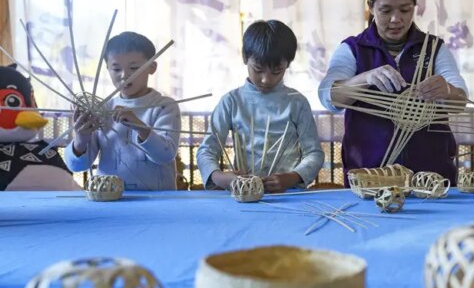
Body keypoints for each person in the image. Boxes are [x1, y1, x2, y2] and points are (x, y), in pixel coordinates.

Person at [318, 0, 468, 184]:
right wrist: (365, 78)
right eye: (386, 11)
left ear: (415, 6)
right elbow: (327, 96)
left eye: (405, 10)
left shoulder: (434, 48)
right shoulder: (353, 49)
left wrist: (447, 90)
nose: (396, 19)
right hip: (370, 178)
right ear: (370, 7)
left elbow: (460, 102)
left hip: (431, 180)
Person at [197, 20, 323, 192]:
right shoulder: (232, 101)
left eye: (277, 71)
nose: (266, 79)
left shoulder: (297, 102)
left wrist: (293, 177)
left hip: (289, 195)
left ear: (288, 64)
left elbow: (314, 154)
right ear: (244, 58)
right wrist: (219, 177)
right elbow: (206, 150)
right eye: (258, 69)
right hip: (243, 192)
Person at [64, 32, 181, 190]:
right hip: (109, 198)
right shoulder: (101, 109)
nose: (125, 75)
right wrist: (80, 139)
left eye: (134, 68)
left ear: (152, 67)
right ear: (107, 68)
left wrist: (139, 126)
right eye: (116, 68)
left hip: (157, 201)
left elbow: (165, 155)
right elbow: (77, 166)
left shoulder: (164, 106)